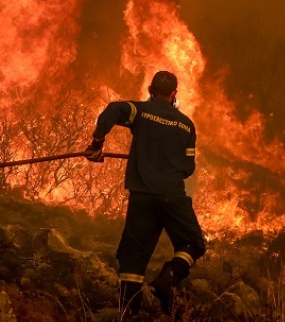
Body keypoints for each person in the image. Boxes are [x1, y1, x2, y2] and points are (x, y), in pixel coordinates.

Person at [85, 70, 206, 316]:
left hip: (142, 197)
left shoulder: (140, 111)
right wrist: (166, 162)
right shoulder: (186, 125)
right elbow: (187, 168)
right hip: (172, 196)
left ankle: (127, 311)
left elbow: (112, 111)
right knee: (194, 243)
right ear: (174, 94)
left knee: (133, 257)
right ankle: (168, 277)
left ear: (150, 90)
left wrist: (97, 144)